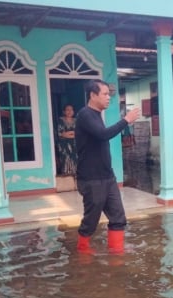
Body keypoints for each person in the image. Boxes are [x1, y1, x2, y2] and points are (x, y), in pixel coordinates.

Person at [74, 79, 141, 255]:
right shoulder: (85, 115)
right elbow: (103, 135)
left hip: (107, 177)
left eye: (108, 94)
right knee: (91, 220)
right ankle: (82, 253)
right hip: (91, 178)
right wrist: (126, 120)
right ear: (92, 95)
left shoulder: (96, 115)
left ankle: (117, 253)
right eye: (104, 94)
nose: (108, 98)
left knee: (118, 217)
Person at [56, 104, 77, 176]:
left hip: (74, 145)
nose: (69, 111)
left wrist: (68, 133)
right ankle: (66, 175)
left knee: (75, 159)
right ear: (64, 111)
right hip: (64, 145)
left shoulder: (76, 121)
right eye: (67, 110)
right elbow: (61, 134)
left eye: (71, 110)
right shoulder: (61, 120)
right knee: (66, 160)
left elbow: (78, 133)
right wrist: (72, 133)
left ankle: (75, 175)